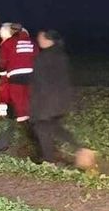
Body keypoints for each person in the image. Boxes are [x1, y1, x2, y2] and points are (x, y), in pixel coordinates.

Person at [29, 29, 95, 168]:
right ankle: (81, 149)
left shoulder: (43, 58)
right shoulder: (61, 55)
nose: (38, 39)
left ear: (48, 40)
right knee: (55, 127)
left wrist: (36, 104)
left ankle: (48, 161)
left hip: (47, 100)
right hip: (61, 99)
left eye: (41, 37)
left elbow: (40, 82)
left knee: (41, 128)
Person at [0, 22, 37, 152]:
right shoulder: (32, 43)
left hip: (15, 76)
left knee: (18, 106)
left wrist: (2, 73)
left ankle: (25, 130)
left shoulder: (8, 43)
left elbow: (3, 62)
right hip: (31, 75)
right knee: (26, 101)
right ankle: (29, 122)